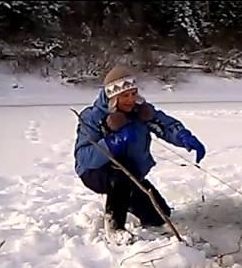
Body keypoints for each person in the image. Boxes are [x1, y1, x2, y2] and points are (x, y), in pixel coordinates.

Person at [74, 66, 206, 243]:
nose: (131, 100)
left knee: (160, 215)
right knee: (121, 171)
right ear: (113, 97)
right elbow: (84, 157)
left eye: (133, 93)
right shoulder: (93, 118)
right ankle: (114, 228)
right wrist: (113, 143)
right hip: (94, 172)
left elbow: (165, 125)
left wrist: (183, 136)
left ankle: (123, 201)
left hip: (131, 174)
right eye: (125, 96)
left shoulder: (140, 112)